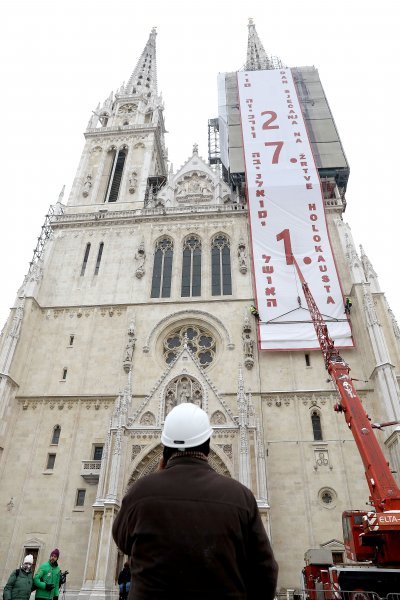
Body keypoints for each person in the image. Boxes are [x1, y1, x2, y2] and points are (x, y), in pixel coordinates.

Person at [112, 403, 278, 599]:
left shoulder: (140, 491)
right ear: (208, 446)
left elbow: (122, 541)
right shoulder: (241, 496)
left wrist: (154, 482)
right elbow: (265, 570)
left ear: (164, 449)